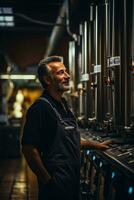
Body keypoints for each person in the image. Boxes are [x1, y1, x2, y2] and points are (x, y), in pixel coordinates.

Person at [21, 55, 112, 200]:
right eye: (61, 72)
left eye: (66, 71)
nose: (68, 76)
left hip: (72, 181)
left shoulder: (64, 105)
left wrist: (97, 145)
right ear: (47, 80)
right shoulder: (40, 108)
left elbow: (70, 139)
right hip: (56, 183)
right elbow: (28, 149)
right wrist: (48, 181)